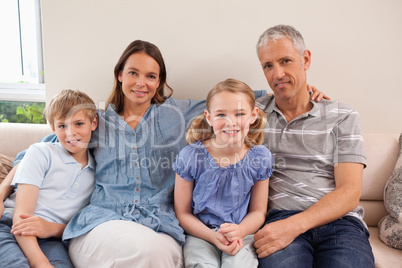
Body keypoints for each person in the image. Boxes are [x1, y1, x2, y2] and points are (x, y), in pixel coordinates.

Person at [0, 40, 325, 267]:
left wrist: (299, 90)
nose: (141, 83)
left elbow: (236, 101)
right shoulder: (98, 119)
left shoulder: (178, 113)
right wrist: (3, 189)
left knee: (159, 253)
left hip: (160, 221)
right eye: (133, 73)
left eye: (151, 76)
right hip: (104, 220)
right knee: (146, 253)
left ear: (159, 82)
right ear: (119, 74)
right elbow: (44, 145)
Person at [253, 24, 375, 267]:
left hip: (341, 223)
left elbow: (350, 192)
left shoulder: (342, 115)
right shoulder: (253, 114)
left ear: (305, 59)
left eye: (286, 61)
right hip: (279, 217)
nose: (277, 74)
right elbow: (217, 109)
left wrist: (294, 226)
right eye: (268, 65)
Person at [174, 78, 273, 267]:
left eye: (239, 114)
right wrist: (212, 235)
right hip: (201, 234)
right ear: (209, 117)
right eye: (221, 114)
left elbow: (258, 211)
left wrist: (240, 231)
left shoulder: (261, 158)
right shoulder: (191, 156)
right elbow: (183, 213)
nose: (231, 122)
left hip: (242, 234)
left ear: (253, 116)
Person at [0, 89, 98, 268]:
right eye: (62, 126)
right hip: (10, 227)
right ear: (53, 127)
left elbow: (77, 228)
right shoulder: (41, 152)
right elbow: (22, 217)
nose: (70, 133)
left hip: (50, 239)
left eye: (78, 124)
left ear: (93, 123)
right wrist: (40, 262)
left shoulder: (98, 174)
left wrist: (51, 229)